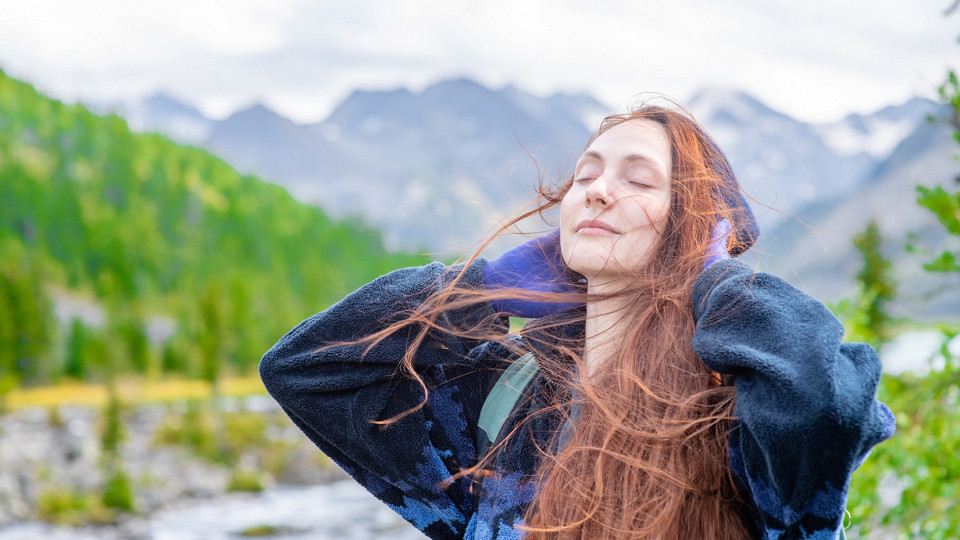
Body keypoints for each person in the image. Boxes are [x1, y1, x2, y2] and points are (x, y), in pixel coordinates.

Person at [259, 104, 895, 539]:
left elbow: (828, 409)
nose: (596, 190)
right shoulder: (508, 406)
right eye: (585, 174)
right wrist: (479, 290)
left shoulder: (741, 416)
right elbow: (304, 369)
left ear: (695, 231)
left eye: (638, 181)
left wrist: (719, 285)